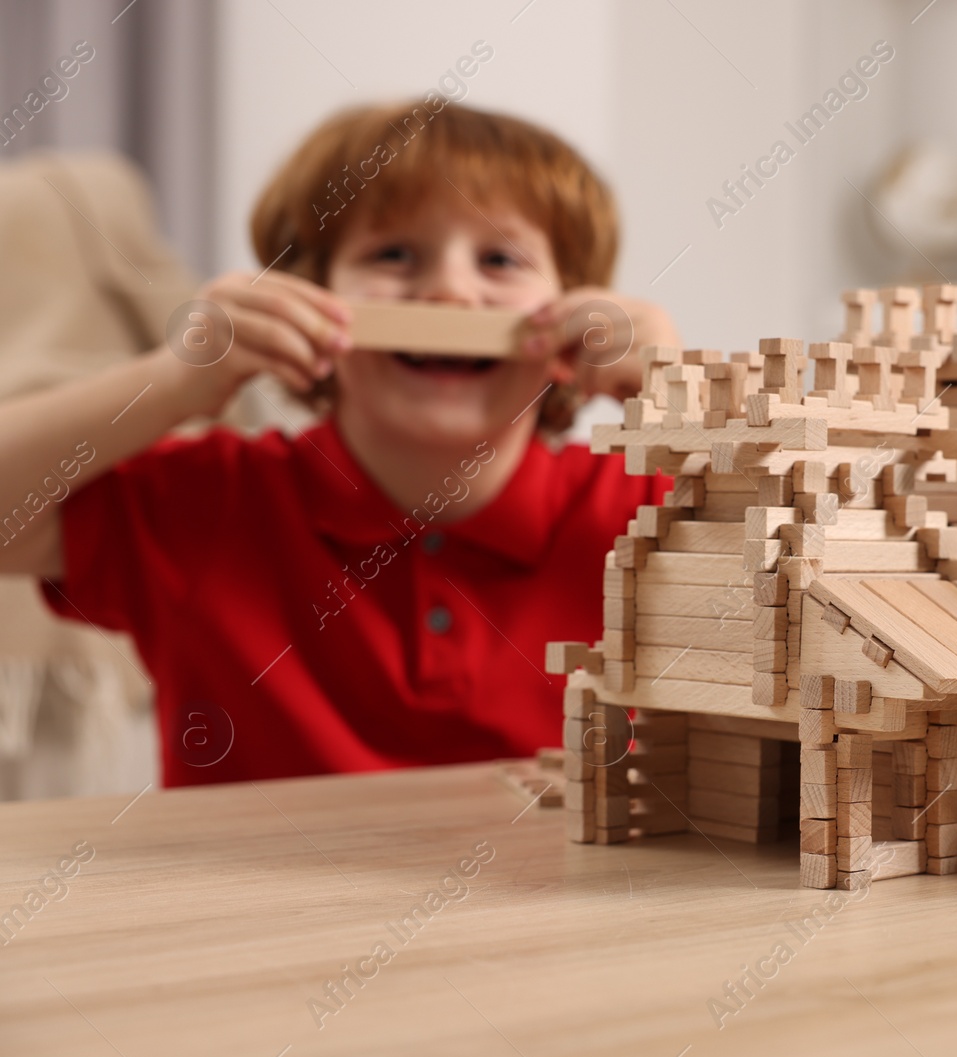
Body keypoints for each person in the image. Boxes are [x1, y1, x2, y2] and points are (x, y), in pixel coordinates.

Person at [0, 101, 676, 786]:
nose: (447, 291)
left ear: (576, 310)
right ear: (308, 299)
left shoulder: (649, 510)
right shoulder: (212, 503)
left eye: (500, 259)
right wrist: (170, 381)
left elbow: (790, 598)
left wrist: (683, 398)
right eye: (393, 253)